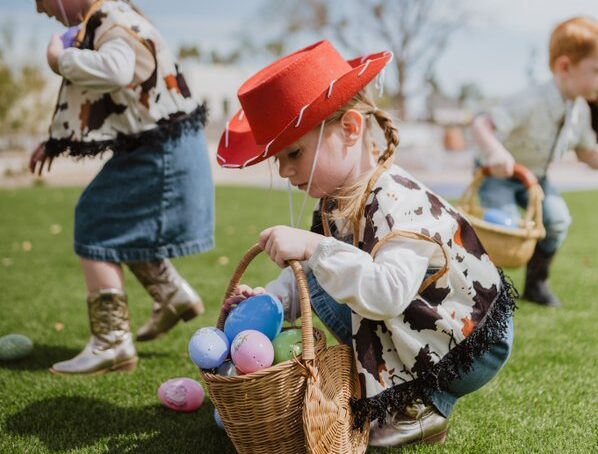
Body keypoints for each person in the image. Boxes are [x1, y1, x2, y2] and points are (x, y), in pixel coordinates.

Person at [217, 40, 516, 448]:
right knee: (329, 268)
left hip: (468, 348)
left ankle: (424, 401)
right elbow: (312, 279)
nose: (286, 171)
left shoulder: (398, 199)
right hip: (430, 335)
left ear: (351, 130)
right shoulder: (336, 201)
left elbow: (388, 293)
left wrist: (313, 248)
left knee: (334, 266)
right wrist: (268, 303)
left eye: (294, 153)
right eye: (278, 160)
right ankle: (413, 395)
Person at [30, 0, 214, 375]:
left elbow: (116, 69)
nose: (38, 9)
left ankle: (112, 343)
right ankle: (171, 294)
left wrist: (59, 60)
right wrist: (55, 140)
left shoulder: (111, 19)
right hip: (161, 144)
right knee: (121, 223)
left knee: (97, 218)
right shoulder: (112, 17)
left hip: (160, 149)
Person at [472, 16, 598, 307]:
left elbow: (586, 154)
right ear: (564, 67)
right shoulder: (531, 100)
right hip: (499, 173)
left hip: (535, 178)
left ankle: (536, 283)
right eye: (595, 69)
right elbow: (482, 125)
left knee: (558, 220)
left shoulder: (579, 110)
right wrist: (495, 152)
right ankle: (485, 292)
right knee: (503, 227)